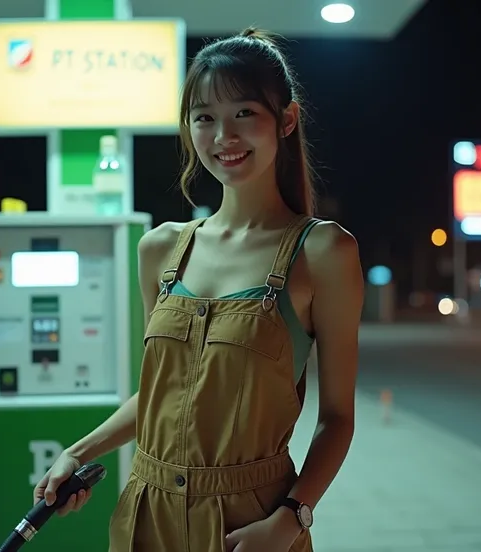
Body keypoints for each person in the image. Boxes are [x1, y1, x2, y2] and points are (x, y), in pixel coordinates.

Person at [33, 27, 363, 552]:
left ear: (286, 120)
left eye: (244, 115)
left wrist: (291, 519)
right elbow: (163, 393)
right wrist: (79, 451)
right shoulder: (160, 250)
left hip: (250, 526)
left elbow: (338, 418)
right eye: (204, 118)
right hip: (146, 515)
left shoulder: (323, 253)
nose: (222, 137)